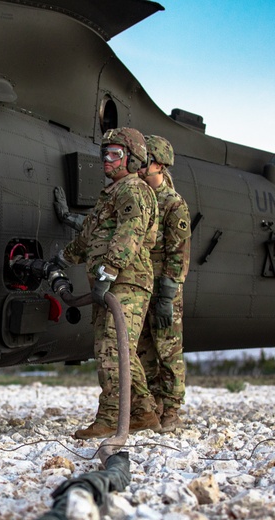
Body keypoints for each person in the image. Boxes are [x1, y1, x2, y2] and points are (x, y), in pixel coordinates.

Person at [59, 127, 162, 439]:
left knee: (111, 349)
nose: (107, 159)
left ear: (132, 160)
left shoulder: (134, 190)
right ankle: (143, 413)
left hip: (126, 282)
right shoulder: (110, 196)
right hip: (112, 284)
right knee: (121, 350)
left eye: (115, 154)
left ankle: (109, 419)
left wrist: (110, 270)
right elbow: (87, 238)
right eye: (104, 153)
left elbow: (131, 231)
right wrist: (61, 260)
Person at [136, 135, 191, 431]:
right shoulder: (140, 198)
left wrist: (168, 295)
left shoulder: (173, 203)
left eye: (144, 161)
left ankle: (171, 410)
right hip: (141, 285)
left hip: (164, 288)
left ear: (158, 164)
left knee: (168, 351)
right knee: (143, 351)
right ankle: (151, 408)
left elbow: (179, 252)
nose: (138, 166)